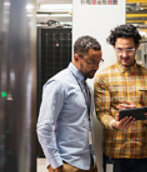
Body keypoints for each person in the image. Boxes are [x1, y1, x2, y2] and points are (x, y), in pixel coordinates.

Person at [93, 24, 147, 172]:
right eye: (119, 50)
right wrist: (114, 124)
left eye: (129, 49)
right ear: (114, 48)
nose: (124, 55)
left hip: (143, 155)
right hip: (114, 153)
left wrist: (139, 113)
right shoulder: (103, 77)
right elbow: (102, 113)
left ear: (137, 46)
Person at [36, 35, 102, 172]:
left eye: (98, 62)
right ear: (77, 58)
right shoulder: (59, 84)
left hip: (87, 161)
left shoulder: (86, 86)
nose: (96, 67)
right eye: (91, 62)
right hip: (67, 163)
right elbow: (44, 127)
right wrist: (56, 165)